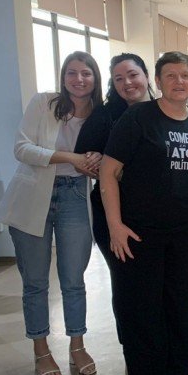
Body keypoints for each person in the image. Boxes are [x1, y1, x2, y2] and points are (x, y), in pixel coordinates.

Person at [99, 51, 188, 375]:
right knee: (141, 310)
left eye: (186, 76)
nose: (180, 82)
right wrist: (115, 225)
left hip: (183, 232)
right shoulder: (138, 118)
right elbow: (108, 173)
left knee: (178, 308)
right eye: (171, 76)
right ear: (156, 81)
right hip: (138, 232)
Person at [0, 51, 103, 375]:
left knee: (73, 280)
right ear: (63, 76)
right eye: (72, 72)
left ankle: (77, 345)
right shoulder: (44, 103)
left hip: (76, 195)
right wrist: (70, 156)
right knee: (36, 282)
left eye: (86, 73)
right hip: (33, 195)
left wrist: (97, 157)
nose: (79, 79)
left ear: (95, 78)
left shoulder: (101, 113)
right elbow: (22, 148)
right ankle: (41, 350)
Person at [74, 52, 154, 351]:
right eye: (118, 79)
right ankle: (133, 352)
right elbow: (85, 159)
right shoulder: (106, 116)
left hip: (160, 215)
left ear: (146, 75)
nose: (127, 83)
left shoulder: (166, 111)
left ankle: (158, 350)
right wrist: (96, 162)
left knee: (158, 288)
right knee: (127, 287)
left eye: (133, 74)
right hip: (115, 215)